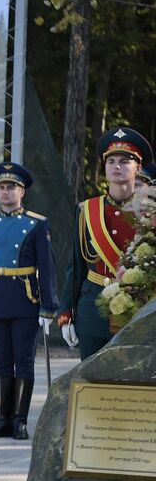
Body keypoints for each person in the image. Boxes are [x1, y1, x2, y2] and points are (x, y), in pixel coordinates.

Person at [0, 163, 56, 441]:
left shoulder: (36, 223)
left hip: (25, 298)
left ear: (22, 191)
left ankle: (19, 420)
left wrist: (48, 305)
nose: (6, 192)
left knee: (23, 360)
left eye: (11, 187)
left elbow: (46, 267)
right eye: (2, 187)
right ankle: (1, 420)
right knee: (1, 361)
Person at [58, 126, 151, 358]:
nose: (116, 166)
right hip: (92, 312)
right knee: (91, 386)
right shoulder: (87, 210)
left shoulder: (150, 212)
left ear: (138, 167)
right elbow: (76, 266)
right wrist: (66, 314)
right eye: (111, 162)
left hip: (137, 312)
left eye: (124, 161)